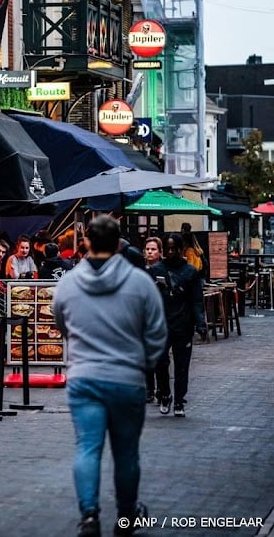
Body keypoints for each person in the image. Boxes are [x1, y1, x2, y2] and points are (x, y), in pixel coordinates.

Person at [54, 215, 167, 537]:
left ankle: (89, 514)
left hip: (84, 377)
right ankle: (127, 515)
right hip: (126, 378)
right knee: (126, 451)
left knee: (87, 447)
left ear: (86, 242)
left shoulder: (68, 283)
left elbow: (62, 325)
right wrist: (143, 363)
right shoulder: (140, 282)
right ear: (119, 244)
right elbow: (157, 332)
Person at [149, 233, 207, 417]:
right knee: (160, 362)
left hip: (183, 323)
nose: (171, 252)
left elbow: (197, 300)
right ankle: (165, 393)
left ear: (181, 249)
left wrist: (200, 323)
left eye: (174, 248)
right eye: (168, 248)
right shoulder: (156, 269)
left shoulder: (190, 272)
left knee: (182, 365)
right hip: (161, 324)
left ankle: (180, 400)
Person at [141, 236, 164, 403]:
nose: (150, 252)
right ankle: (149, 389)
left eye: (153, 249)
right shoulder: (140, 270)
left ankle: (161, 389)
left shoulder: (163, 270)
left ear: (160, 252)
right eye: (148, 249)